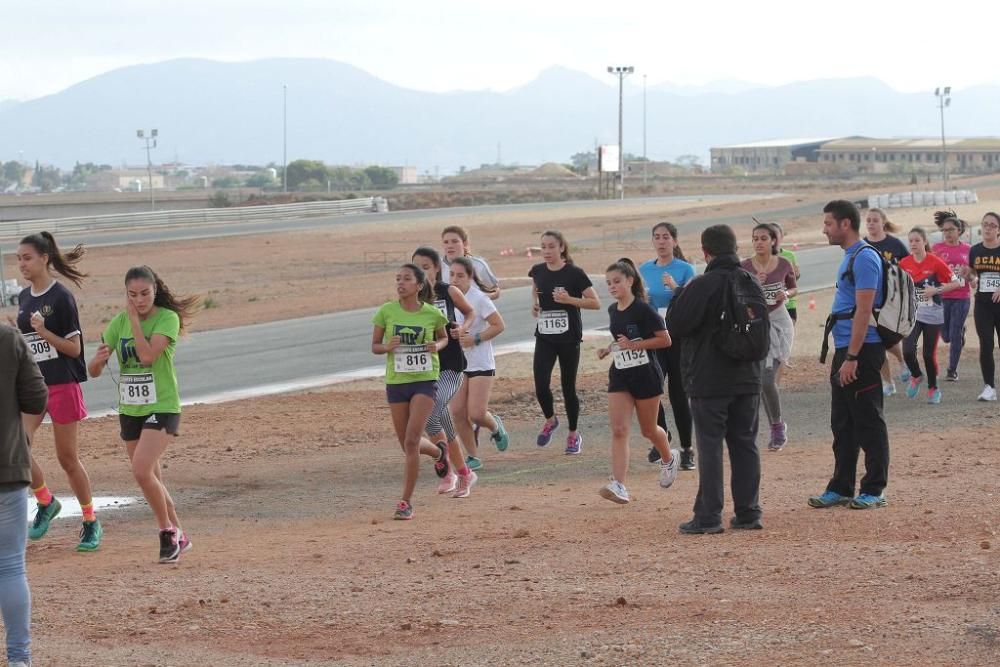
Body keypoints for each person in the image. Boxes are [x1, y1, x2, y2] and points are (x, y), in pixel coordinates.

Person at [88, 266, 198, 560]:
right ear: (126, 294)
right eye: (132, 295)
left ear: (155, 291)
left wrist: (135, 322)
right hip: (130, 409)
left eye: (145, 293)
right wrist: (97, 362)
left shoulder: (167, 318)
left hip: (162, 405)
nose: (139, 300)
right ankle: (179, 533)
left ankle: (166, 533)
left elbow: (148, 356)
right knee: (152, 478)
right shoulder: (118, 322)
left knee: (140, 470)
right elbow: (94, 371)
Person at [667, 224, 764, 534]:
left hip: (709, 379)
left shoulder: (703, 285)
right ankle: (748, 512)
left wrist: (680, 295)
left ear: (706, 252)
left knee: (710, 446)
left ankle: (709, 516)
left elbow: (678, 324)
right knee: (744, 444)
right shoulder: (751, 282)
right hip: (747, 377)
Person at [13, 232, 101, 551]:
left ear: (44, 258)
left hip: (63, 385)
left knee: (68, 459)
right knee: (16, 445)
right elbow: (28, 348)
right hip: (33, 387)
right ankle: (46, 502)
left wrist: (43, 331)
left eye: (27, 257)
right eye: (18, 258)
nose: (21, 263)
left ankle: (91, 520)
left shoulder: (61, 298)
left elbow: (75, 348)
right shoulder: (24, 298)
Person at [810, 200, 890, 510]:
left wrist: (853, 357)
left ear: (845, 224)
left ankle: (874, 489)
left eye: (829, 223)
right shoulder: (850, 257)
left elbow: (865, 309)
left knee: (869, 421)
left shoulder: (865, 258)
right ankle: (841, 486)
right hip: (846, 348)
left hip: (862, 350)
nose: (824, 229)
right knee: (842, 423)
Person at [370, 263, 450, 518]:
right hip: (396, 383)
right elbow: (374, 346)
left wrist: (437, 345)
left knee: (413, 440)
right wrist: (387, 346)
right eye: (397, 279)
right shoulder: (386, 312)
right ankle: (439, 452)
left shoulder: (432, 314)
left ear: (419, 285)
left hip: (424, 380)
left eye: (406, 279)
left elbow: (444, 337)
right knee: (406, 446)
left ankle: (405, 502)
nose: (400, 283)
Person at [596, 259, 678, 504]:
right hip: (621, 373)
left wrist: (635, 345)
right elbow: (622, 340)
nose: (612, 286)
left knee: (648, 430)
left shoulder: (644, 310)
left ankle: (668, 458)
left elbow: (665, 340)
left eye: (617, 281)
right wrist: (608, 349)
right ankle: (619, 484)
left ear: (630, 281)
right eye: (609, 283)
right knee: (619, 429)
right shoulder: (613, 310)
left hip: (646, 375)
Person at [528, 231, 600, 454]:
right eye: (543, 247)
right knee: (541, 384)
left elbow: (595, 302)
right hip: (545, 336)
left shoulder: (574, 274)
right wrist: (535, 304)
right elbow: (536, 289)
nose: (547, 251)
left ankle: (573, 434)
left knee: (568, 387)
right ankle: (550, 420)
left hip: (568, 338)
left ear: (561, 248)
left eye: (551, 247)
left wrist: (569, 300)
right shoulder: (538, 271)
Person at [1, 324, 47, 667]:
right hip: (9, 468)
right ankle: (19, 659)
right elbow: (36, 397)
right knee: (12, 568)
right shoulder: (8, 338)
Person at [411, 247, 475, 495]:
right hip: (425, 368)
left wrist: (463, 328)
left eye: (425, 267)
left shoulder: (448, 291)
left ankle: (447, 466)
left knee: (432, 408)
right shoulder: (411, 300)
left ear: (437, 268)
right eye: (416, 267)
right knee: (442, 425)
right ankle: (459, 473)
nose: (421, 272)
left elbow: (470, 312)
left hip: (450, 365)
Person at [638, 222, 696, 469]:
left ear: (674, 241)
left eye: (666, 237)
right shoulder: (644, 269)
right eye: (657, 237)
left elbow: (694, 301)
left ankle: (686, 449)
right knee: (652, 390)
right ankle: (662, 437)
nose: (661, 241)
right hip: (654, 338)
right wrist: (642, 299)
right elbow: (636, 302)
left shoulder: (685, 269)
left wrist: (676, 288)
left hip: (679, 338)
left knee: (679, 394)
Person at [449, 256, 508, 480]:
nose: (455, 279)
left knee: (476, 413)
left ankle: (495, 427)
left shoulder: (479, 298)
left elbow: (499, 325)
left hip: (481, 362)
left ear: (470, 277)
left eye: (460, 275)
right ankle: (473, 456)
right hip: (459, 364)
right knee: (457, 412)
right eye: (452, 275)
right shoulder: (446, 299)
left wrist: (476, 338)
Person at [741, 223, 797, 450]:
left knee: (766, 378)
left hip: (780, 323)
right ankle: (776, 426)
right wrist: (756, 284)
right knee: (761, 381)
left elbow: (793, 288)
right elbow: (739, 295)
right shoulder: (744, 266)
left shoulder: (784, 263)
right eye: (755, 238)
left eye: (763, 238)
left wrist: (785, 293)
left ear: (773, 241)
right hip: (756, 324)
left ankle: (777, 427)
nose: (758, 242)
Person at [899, 227, 961, 404]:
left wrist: (936, 289)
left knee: (928, 354)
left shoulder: (935, 262)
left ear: (925, 242)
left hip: (933, 313)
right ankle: (917, 375)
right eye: (910, 241)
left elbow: (956, 283)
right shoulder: (904, 264)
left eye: (917, 240)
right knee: (908, 350)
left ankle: (933, 388)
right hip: (913, 313)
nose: (913, 244)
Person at [864, 207, 908, 396]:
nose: (871, 223)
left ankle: (902, 361)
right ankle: (888, 383)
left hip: (892, 300)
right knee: (875, 344)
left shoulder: (895, 244)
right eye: (868, 220)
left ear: (883, 222)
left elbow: (909, 267)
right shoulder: (862, 245)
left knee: (888, 339)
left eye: (875, 220)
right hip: (869, 300)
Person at [931, 211, 972, 382]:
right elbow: (930, 269)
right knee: (946, 336)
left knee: (954, 334)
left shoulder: (968, 250)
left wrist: (970, 276)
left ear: (959, 231)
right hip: (942, 296)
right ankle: (960, 332)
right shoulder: (937, 249)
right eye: (944, 230)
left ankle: (951, 370)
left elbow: (973, 274)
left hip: (962, 296)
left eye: (951, 230)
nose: (947, 233)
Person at [968, 212, 1000, 401]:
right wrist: (971, 278)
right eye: (985, 224)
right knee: (986, 345)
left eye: (992, 225)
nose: (987, 228)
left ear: (998, 230)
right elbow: (972, 272)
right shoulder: (975, 250)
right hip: (983, 305)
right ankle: (989, 387)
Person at [440, 225, 501, 300]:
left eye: (455, 241)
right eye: (446, 242)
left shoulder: (478, 265)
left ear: (464, 243)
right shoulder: (436, 267)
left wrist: (483, 299)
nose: (450, 246)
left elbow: (495, 290)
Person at [769, 222, 801, 323]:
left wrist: (797, 274)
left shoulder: (790, 255)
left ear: (781, 237)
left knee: (788, 337)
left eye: (776, 235)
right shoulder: (761, 257)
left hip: (789, 304)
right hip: (770, 306)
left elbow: (794, 280)